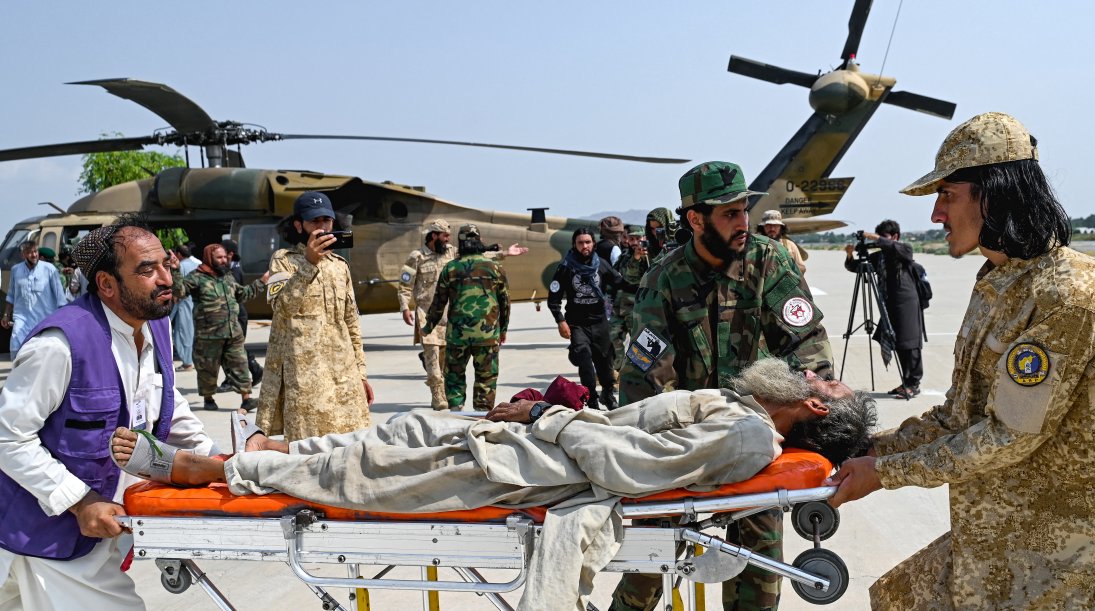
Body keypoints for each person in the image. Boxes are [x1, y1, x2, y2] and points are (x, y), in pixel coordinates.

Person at [110, 359, 875, 610]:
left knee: (364, 473)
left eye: (826, 381)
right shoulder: (741, 412)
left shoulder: (747, 434)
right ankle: (278, 453)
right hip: (535, 443)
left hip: (532, 469)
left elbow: (630, 469)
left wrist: (549, 416)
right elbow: (630, 434)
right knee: (405, 429)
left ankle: (214, 469)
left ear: (813, 407)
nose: (814, 370)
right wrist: (560, 407)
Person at [827, 112, 1095, 608]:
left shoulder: (1071, 297)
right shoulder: (999, 283)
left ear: (992, 196)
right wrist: (868, 450)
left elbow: (1007, 434)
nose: (935, 214)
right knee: (899, 598)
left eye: (947, 195)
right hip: (1019, 536)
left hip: (1086, 564)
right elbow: (960, 415)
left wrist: (885, 474)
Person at [615, 161, 835, 611]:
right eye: (729, 213)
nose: (742, 222)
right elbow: (644, 378)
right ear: (696, 219)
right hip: (685, 440)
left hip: (758, 434)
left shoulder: (768, 261)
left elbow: (807, 342)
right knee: (648, 562)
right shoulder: (664, 280)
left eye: (743, 210)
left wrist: (810, 397)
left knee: (759, 558)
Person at [0, 217, 219, 610]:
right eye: (146, 270)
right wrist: (80, 502)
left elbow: (165, 398)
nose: (165, 278)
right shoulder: (60, 344)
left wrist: (216, 461)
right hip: (49, 532)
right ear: (106, 284)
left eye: (165, 265)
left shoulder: (156, 326)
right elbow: (7, 436)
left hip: (106, 527)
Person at [256, 191, 374, 441]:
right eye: (314, 221)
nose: (322, 227)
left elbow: (351, 321)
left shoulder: (340, 265)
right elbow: (282, 308)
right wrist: (309, 263)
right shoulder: (284, 261)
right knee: (309, 449)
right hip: (306, 378)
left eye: (326, 221)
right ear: (299, 225)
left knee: (351, 444)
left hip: (343, 376)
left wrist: (361, 374)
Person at [421, 224, 510, 411]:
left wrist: (427, 328)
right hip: (487, 335)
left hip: (457, 336)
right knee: (486, 378)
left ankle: (455, 413)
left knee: (454, 377)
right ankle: (482, 415)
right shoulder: (495, 268)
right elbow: (505, 303)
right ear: (480, 241)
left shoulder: (451, 268)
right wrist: (503, 329)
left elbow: (438, 303)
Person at [547, 228, 637, 410]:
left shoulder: (601, 265)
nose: (584, 246)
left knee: (605, 361)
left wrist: (642, 288)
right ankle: (592, 398)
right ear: (574, 245)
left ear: (593, 244)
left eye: (588, 242)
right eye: (580, 243)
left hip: (600, 322)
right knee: (584, 359)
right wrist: (560, 321)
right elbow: (553, 298)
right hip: (577, 323)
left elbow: (620, 283)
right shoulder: (566, 267)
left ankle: (608, 393)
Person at [172, 243, 266, 412]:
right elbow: (179, 292)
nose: (224, 260)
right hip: (208, 336)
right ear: (209, 258)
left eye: (225, 257)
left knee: (240, 364)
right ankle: (208, 399)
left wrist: (262, 282)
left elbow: (243, 294)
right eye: (219, 257)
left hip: (233, 332)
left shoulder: (227, 277)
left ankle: (246, 398)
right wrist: (175, 271)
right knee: (208, 371)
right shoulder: (197, 277)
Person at [843, 219, 924, 399]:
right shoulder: (880, 256)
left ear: (895, 236)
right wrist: (850, 255)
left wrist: (874, 238)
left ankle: (913, 384)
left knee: (910, 343)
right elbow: (856, 268)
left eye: (883, 237)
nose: (879, 241)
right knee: (898, 343)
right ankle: (906, 382)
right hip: (888, 304)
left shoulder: (903, 249)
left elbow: (899, 250)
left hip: (907, 303)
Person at [398, 219, 455, 410]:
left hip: (449, 315)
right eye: (444, 236)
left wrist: (503, 253)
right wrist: (405, 307)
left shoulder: (451, 252)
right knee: (433, 358)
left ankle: (446, 391)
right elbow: (405, 285)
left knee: (445, 361)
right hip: (426, 316)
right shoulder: (417, 257)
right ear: (433, 236)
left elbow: (477, 255)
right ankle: (438, 396)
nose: (447, 239)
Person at [3, 241, 67, 353]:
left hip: (44, 320)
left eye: (35, 251)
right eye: (29, 252)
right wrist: (6, 315)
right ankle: (19, 370)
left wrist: (63, 319)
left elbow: (60, 297)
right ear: (23, 255)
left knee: (42, 352)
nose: (34, 255)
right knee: (15, 348)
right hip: (22, 319)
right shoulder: (16, 270)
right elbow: (11, 295)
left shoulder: (50, 269)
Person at [218, 238, 264, 391]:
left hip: (237, 315)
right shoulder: (229, 268)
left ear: (230, 254)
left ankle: (250, 371)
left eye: (223, 253)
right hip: (232, 314)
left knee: (233, 348)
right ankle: (250, 371)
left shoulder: (234, 271)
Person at [608, 224, 649, 387]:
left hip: (638, 307)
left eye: (638, 239)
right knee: (613, 338)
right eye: (631, 239)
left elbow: (633, 278)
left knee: (639, 343)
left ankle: (641, 377)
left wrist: (639, 258)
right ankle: (619, 370)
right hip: (620, 306)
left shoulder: (649, 256)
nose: (635, 242)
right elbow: (618, 275)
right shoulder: (625, 255)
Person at [169, 244, 198, 371]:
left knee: (181, 333)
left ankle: (187, 362)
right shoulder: (197, 263)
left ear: (179, 255)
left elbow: (178, 289)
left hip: (184, 303)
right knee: (190, 332)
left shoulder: (181, 267)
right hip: (195, 303)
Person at [756, 209, 807, 273]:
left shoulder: (789, 245)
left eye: (775, 225)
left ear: (781, 227)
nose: (772, 229)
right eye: (768, 225)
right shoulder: (756, 246)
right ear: (762, 227)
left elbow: (802, 268)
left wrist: (787, 267)